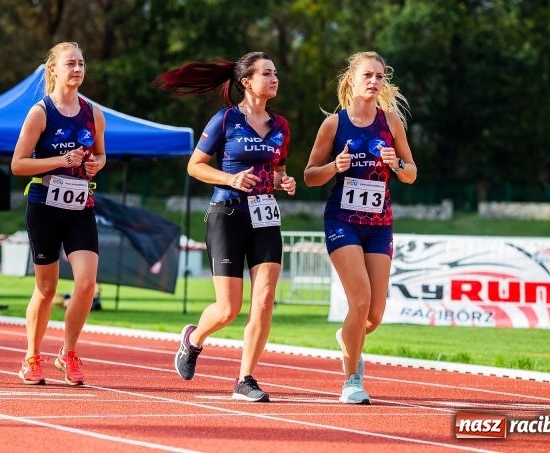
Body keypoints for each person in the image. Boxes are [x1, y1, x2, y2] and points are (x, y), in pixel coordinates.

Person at [154, 52, 296, 402]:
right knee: (228, 309)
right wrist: (231, 178)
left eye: (275, 72)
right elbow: (195, 167)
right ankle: (193, 339)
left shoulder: (281, 126)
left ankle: (245, 378)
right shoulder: (225, 119)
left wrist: (283, 181)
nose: (274, 78)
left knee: (264, 300)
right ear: (247, 81)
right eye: (266, 73)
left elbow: (277, 170)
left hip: (264, 217)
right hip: (227, 214)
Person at [303, 51, 416, 404]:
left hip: (379, 226)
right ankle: (351, 379)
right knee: (360, 300)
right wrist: (335, 167)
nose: (374, 81)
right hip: (343, 221)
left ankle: (348, 338)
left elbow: (411, 174)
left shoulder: (391, 122)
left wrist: (396, 163)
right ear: (351, 79)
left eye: (380, 76)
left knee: (374, 314)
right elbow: (309, 176)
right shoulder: (334, 125)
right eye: (368, 75)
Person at [11, 42, 106, 386]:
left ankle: (68, 353)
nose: (78, 69)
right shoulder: (41, 112)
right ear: (53, 70)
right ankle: (31, 356)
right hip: (44, 204)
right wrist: (60, 161)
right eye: (71, 63)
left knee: (86, 283)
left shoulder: (93, 113)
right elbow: (18, 164)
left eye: (81, 63)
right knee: (47, 288)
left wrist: (96, 164)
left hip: (81, 204)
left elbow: (101, 156)